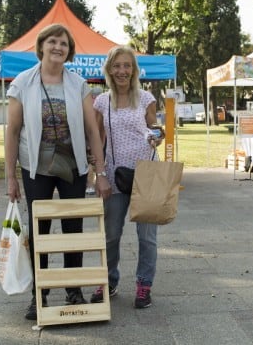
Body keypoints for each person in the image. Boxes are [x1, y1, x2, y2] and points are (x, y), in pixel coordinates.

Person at [4, 23, 111, 321]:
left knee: (73, 229)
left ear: (69, 51)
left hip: (73, 167)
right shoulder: (23, 83)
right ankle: (40, 294)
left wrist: (100, 172)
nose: (58, 47)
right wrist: (10, 177)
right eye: (53, 42)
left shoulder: (78, 84)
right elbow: (12, 132)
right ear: (41, 46)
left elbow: (92, 130)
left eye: (64, 44)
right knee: (39, 232)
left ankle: (73, 290)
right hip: (35, 167)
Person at [90, 45, 164, 309]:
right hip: (113, 174)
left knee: (147, 237)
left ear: (134, 70)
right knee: (111, 234)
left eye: (127, 65)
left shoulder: (146, 98)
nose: (122, 71)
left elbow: (154, 128)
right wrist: (97, 173)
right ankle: (108, 280)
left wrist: (157, 135)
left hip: (146, 174)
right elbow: (98, 139)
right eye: (117, 66)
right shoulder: (101, 101)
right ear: (109, 70)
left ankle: (144, 285)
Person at [85, 86, 104, 195]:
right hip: (97, 139)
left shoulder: (88, 103)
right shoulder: (101, 104)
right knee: (96, 161)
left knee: (91, 162)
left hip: (89, 138)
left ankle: (90, 185)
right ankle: (96, 184)